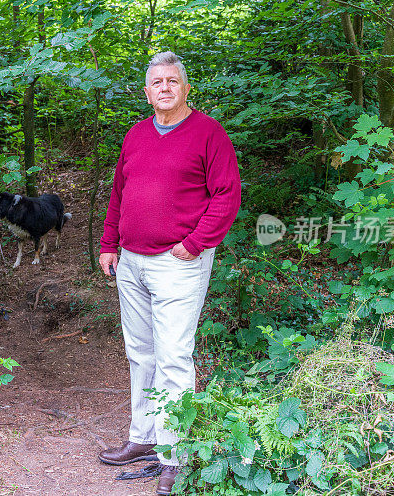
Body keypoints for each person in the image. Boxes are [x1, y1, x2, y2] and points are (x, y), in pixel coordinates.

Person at [98, 51, 241, 495]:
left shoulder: (208, 134)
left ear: (185, 87)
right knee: (141, 352)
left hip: (178, 263)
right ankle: (142, 437)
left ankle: (174, 454)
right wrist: (108, 242)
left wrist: (194, 244)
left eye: (172, 80)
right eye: (156, 82)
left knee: (174, 357)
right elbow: (120, 193)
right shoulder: (136, 135)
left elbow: (227, 196)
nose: (164, 87)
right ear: (147, 92)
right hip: (131, 261)